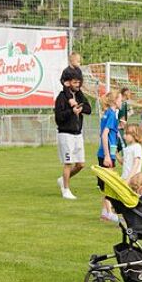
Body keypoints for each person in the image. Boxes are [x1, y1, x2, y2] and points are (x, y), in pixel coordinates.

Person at [54, 67, 92, 200]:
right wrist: (71, 111)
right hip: (66, 134)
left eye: (79, 82)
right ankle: (66, 190)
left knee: (81, 164)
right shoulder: (61, 97)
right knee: (68, 163)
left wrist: (80, 108)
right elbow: (59, 118)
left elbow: (88, 109)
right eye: (75, 82)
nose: (78, 85)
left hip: (78, 134)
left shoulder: (79, 95)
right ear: (67, 82)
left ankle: (63, 180)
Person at [96, 89, 123, 221]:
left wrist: (116, 156)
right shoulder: (111, 115)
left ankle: (104, 213)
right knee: (109, 185)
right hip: (105, 155)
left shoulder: (108, 114)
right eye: (120, 99)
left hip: (106, 154)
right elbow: (105, 134)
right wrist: (107, 156)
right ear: (115, 101)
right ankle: (109, 212)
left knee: (107, 183)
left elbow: (111, 139)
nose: (122, 102)